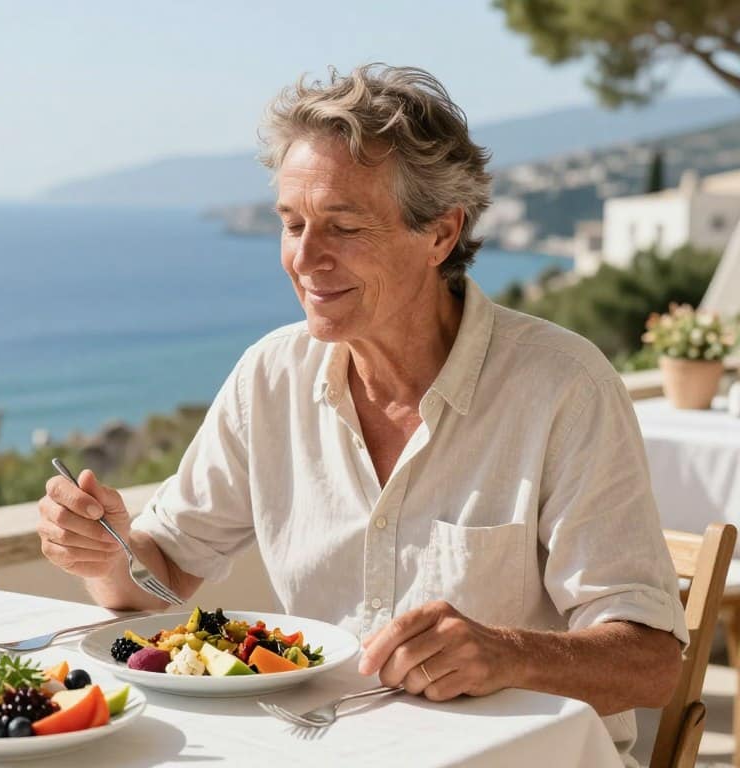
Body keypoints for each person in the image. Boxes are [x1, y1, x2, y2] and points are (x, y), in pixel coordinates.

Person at [37, 64, 686, 760]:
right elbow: (158, 578)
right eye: (291, 224)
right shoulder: (271, 377)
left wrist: (506, 653)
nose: (305, 259)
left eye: (342, 227)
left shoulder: (563, 387)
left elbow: (652, 662)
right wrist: (105, 555)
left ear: (441, 234)